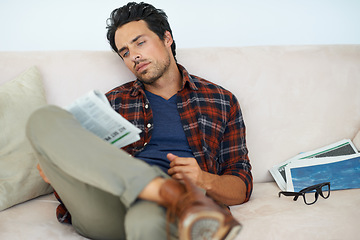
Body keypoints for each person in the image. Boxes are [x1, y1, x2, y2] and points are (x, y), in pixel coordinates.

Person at [28, 2, 253, 240]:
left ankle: (162, 192)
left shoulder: (220, 100)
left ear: (167, 38)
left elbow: (242, 187)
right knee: (43, 118)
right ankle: (158, 188)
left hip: (164, 210)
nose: (134, 55)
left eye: (140, 42)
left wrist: (204, 179)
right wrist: (60, 170)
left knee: (146, 218)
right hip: (106, 206)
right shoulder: (111, 102)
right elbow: (88, 168)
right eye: (124, 52)